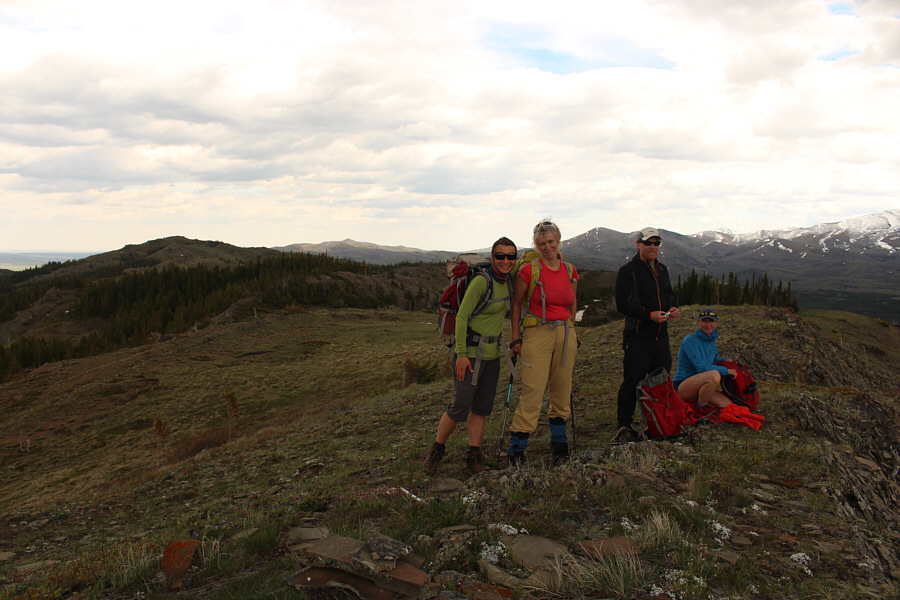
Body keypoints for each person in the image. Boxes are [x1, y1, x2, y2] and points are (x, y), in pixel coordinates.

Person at [425, 237, 518, 475]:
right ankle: (436, 452)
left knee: (481, 408)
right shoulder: (481, 282)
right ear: (492, 257)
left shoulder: (507, 282)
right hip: (470, 355)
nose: (506, 261)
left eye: (511, 256)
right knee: (459, 407)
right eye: (500, 256)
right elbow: (463, 317)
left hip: (492, 356)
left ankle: (473, 457)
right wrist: (461, 354)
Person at [507, 219, 578, 466]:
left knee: (561, 389)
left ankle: (559, 448)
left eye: (550, 241)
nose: (547, 247)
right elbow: (516, 304)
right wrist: (515, 337)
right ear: (535, 245)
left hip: (565, 333)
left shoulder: (569, 270)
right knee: (533, 391)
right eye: (541, 243)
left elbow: (572, 302)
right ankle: (516, 453)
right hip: (538, 332)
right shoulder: (530, 270)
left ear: (558, 240)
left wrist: (572, 331)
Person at [613, 227, 681, 443]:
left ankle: (658, 423)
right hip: (638, 336)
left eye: (656, 243)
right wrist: (647, 315)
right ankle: (624, 426)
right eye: (648, 243)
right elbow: (622, 303)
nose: (653, 247)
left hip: (661, 337)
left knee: (661, 380)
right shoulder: (628, 270)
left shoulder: (662, 270)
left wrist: (674, 308)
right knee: (631, 382)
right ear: (638, 244)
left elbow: (669, 295)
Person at [672, 308, 735, 409]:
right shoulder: (690, 341)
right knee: (714, 375)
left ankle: (701, 402)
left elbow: (713, 362)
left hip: (703, 384)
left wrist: (724, 361)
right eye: (704, 321)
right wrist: (726, 370)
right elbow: (701, 368)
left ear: (716, 323)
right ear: (699, 322)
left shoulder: (711, 340)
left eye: (711, 321)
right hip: (683, 385)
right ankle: (702, 408)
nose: (708, 324)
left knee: (728, 406)